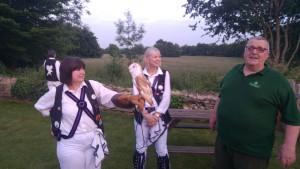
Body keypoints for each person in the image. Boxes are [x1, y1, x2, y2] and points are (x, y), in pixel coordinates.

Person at [35, 56, 144, 169]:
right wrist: (55, 124)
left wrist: (127, 98)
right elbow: (41, 106)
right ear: (67, 72)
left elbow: (110, 96)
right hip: (70, 144)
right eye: (77, 69)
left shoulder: (92, 86)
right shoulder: (56, 93)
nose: (82, 72)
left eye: (83, 68)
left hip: (94, 140)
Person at [209, 36, 300, 169]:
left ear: (267, 55)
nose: (254, 52)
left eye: (260, 49)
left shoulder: (277, 81)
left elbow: (292, 117)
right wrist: (214, 114)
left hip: (252, 152)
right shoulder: (234, 71)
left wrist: (289, 146)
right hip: (223, 143)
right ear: (245, 51)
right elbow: (222, 95)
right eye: (250, 47)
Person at [132, 47, 171, 169]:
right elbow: (136, 97)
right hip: (142, 115)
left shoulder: (165, 74)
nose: (159, 59)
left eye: (160, 56)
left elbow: (166, 96)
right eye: (155, 56)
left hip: (160, 116)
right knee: (140, 147)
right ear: (147, 58)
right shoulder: (138, 75)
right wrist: (145, 114)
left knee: (161, 149)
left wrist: (156, 115)